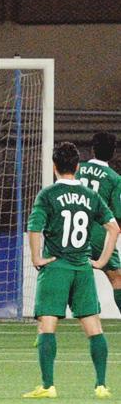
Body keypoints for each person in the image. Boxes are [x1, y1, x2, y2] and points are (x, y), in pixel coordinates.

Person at [23, 142, 119, 399]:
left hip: (56, 267)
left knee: (47, 325)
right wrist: (101, 261)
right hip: (82, 268)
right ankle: (101, 385)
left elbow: (34, 227)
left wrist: (36, 257)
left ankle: (48, 386)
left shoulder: (48, 195)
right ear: (77, 167)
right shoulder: (90, 196)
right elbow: (113, 229)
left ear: (54, 166)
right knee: (93, 326)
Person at [76, 132, 121, 313]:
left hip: (72, 232)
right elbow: (118, 214)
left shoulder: (77, 169)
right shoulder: (114, 178)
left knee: (72, 275)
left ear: (92, 149)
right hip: (99, 235)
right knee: (117, 279)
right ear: (113, 152)